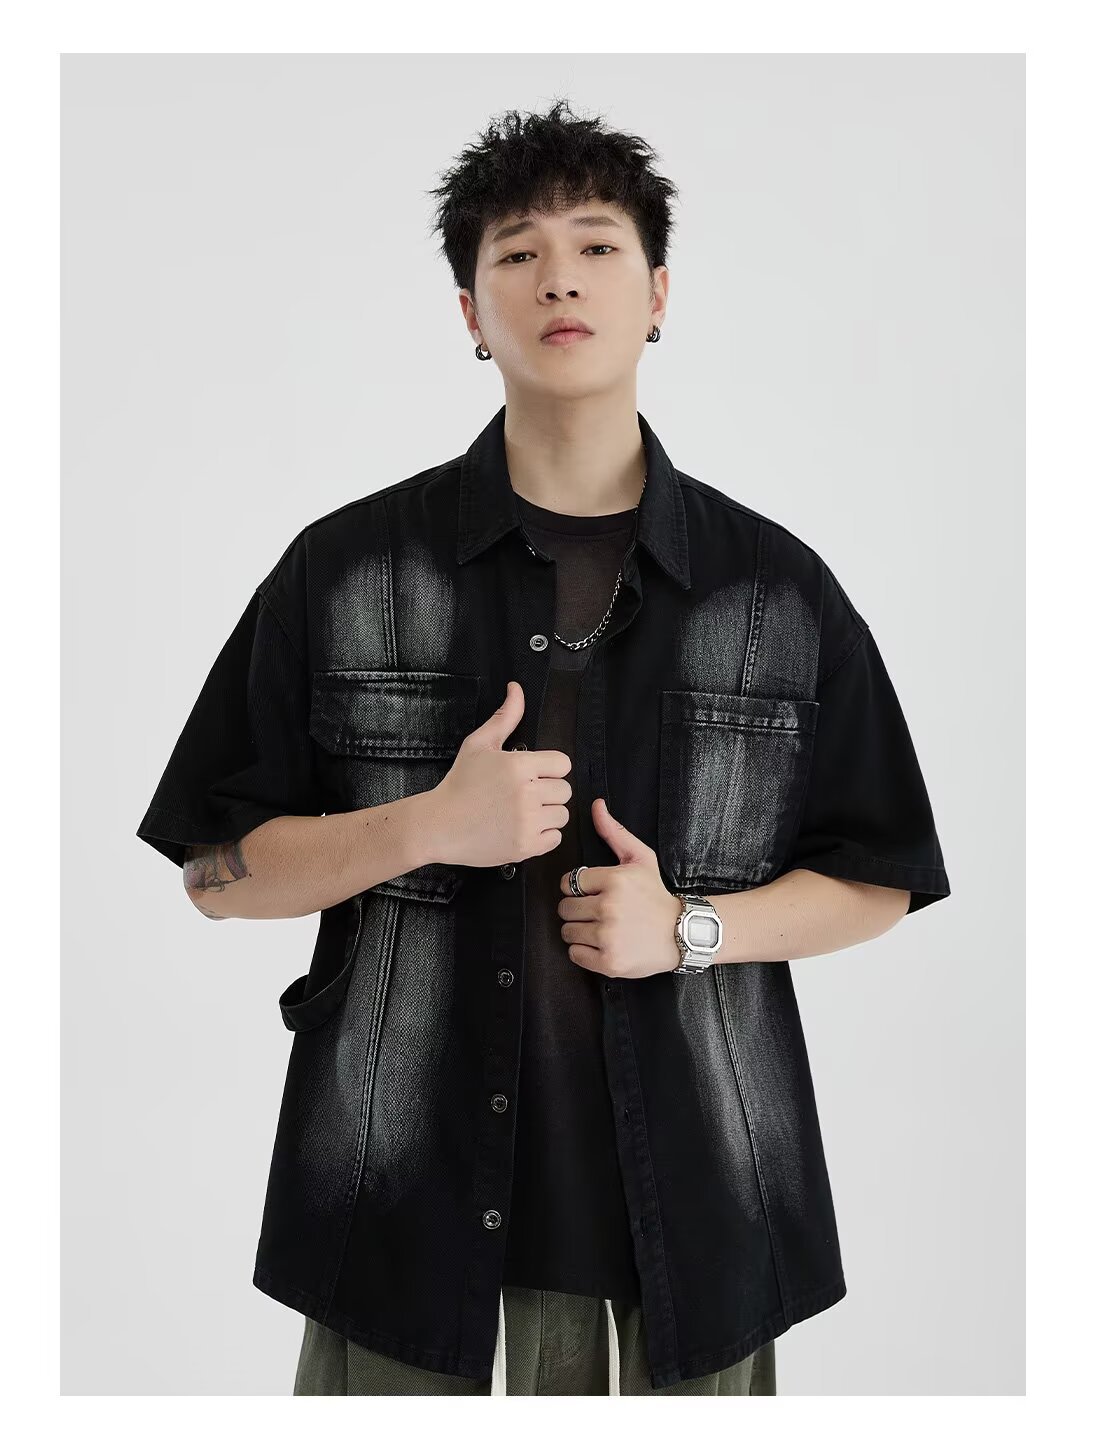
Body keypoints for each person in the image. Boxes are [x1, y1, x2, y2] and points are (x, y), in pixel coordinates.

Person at [136, 98, 951, 1397]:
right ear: (471, 312)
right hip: (400, 1212)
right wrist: (424, 826)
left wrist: (689, 928)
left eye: (596, 245)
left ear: (658, 292)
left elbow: (880, 877)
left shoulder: (773, 590)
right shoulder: (346, 570)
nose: (558, 277)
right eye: (516, 252)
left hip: (698, 1209)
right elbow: (214, 871)